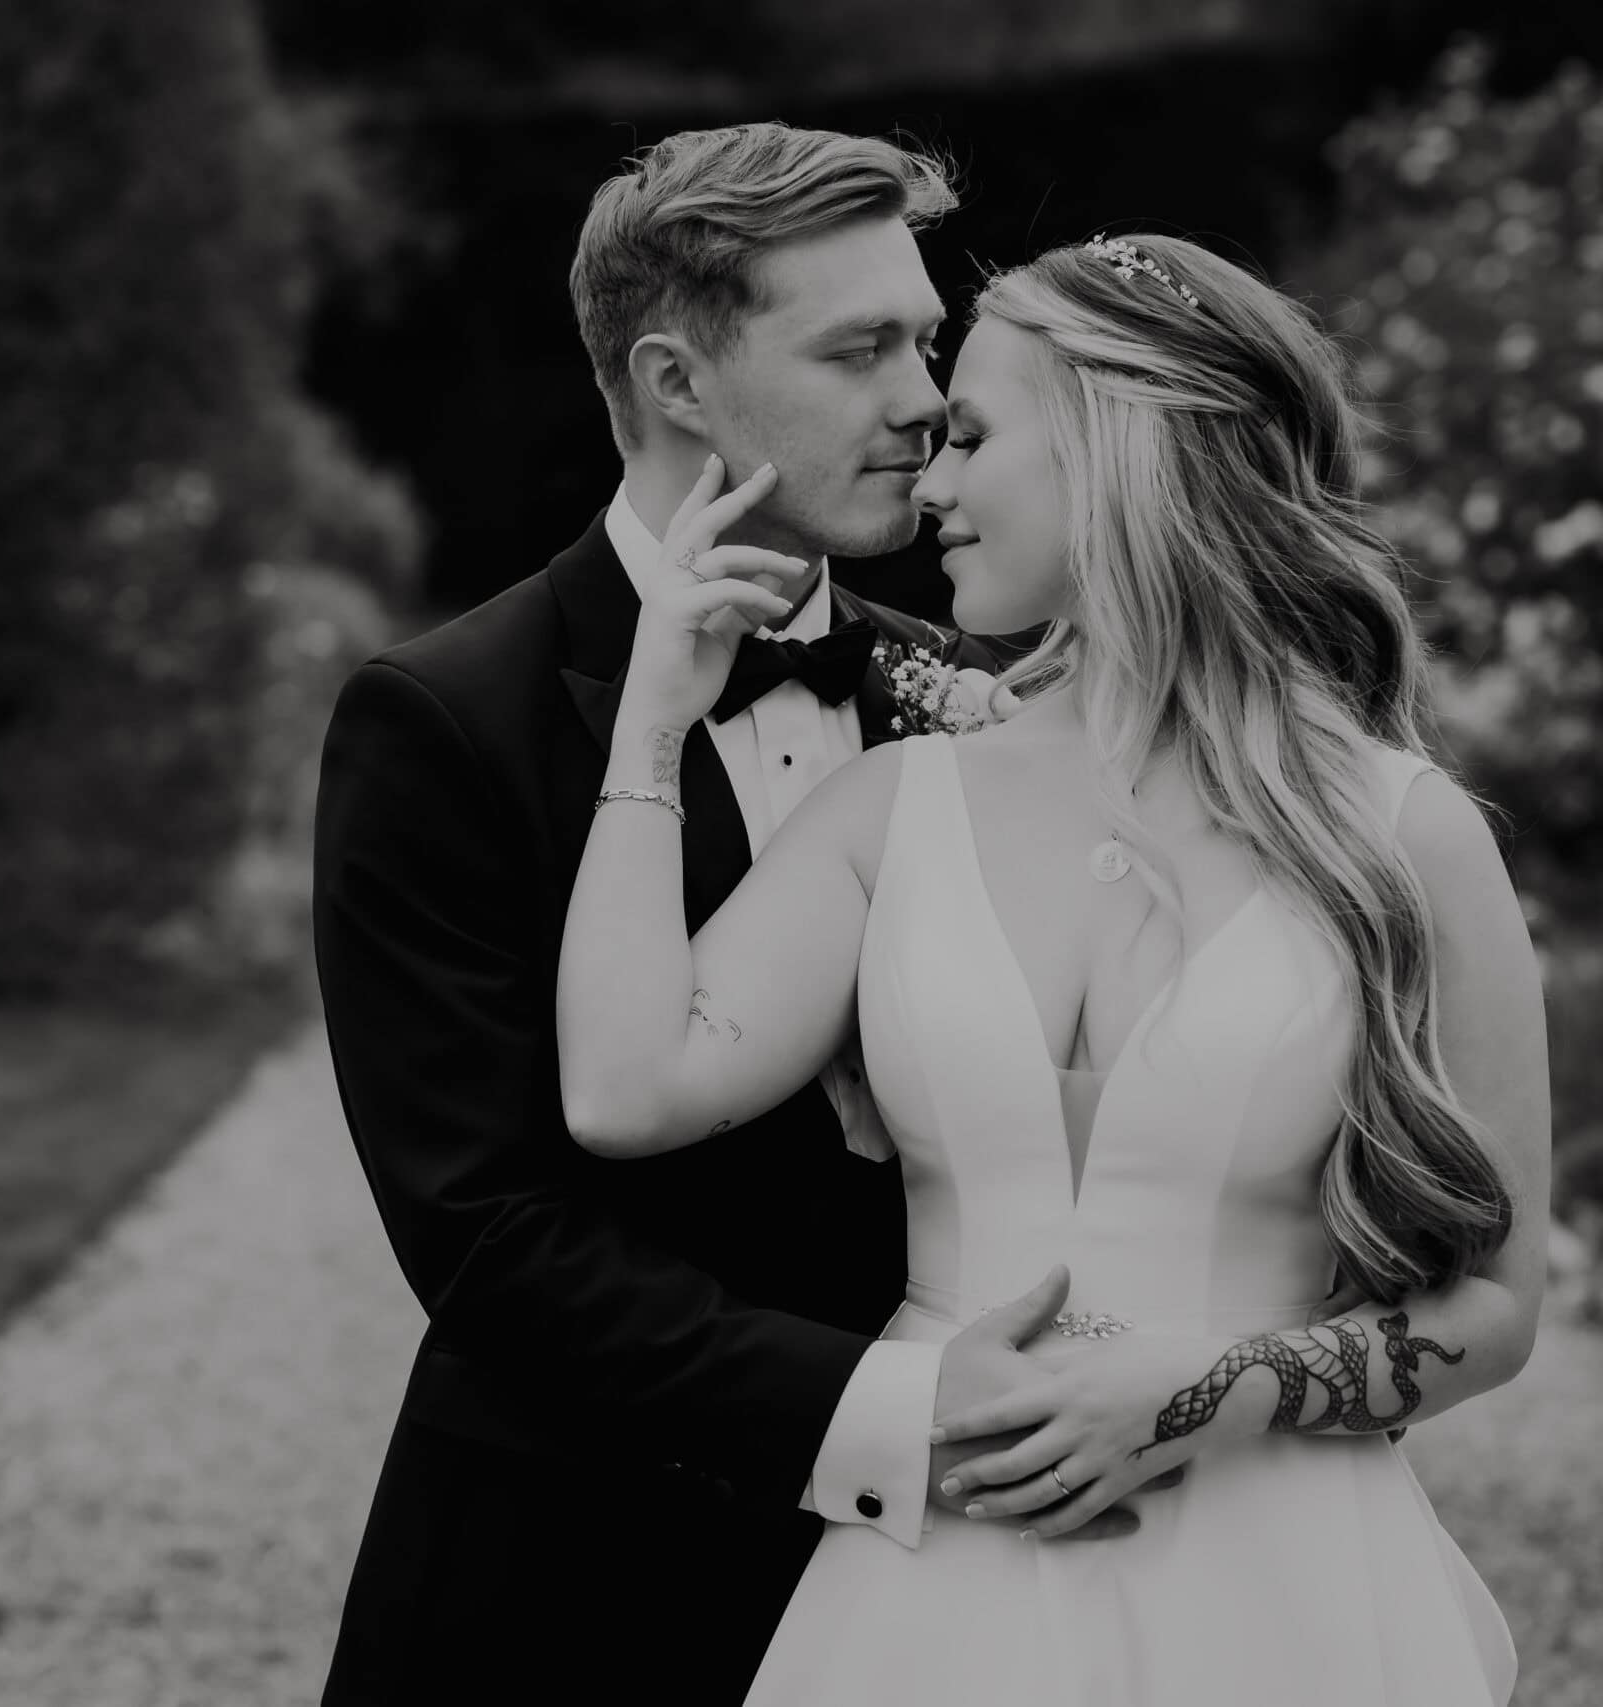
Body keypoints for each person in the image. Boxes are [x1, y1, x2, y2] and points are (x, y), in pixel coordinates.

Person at [557, 232, 1549, 1704]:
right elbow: (625, 1092)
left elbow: (1495, 1308)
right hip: (935, 1590)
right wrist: (650, 727)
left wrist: (1210, 1389)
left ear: (1117, 450)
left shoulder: (1401, 837)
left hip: (1282, 1587)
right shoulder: (896, 809)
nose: (929, 485)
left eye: (971, 436)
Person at [312, 125, 1160, 1706]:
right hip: (570, 1587)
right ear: (676, 382)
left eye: (923, 342)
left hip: (963, 1587)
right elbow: (489, 1239)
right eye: (857, 351)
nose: (925, 400)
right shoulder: (444, 721)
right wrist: (886, 1412)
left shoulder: (972, 690)